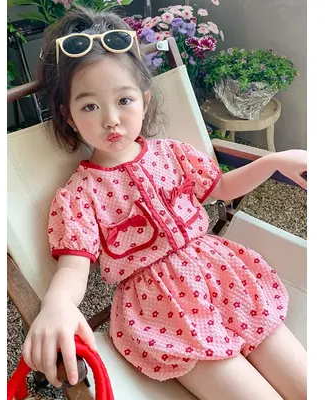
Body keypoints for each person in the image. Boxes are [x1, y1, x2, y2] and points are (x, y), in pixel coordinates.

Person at [22, 6, 307, 400]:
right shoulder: (78, 196)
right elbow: (73, 268)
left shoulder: (172, 153)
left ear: (144, 99)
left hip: (224, 278)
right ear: (68, 117)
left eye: (124, 100)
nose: (111, 119)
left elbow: (222, 188)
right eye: (89, 106)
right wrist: (56, 303)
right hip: (166, 311)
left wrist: (274, 161)